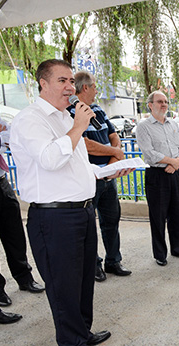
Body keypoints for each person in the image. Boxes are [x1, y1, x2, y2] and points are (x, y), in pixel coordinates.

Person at [9, 59, 129, 346]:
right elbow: (50, 159)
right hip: (54, 217)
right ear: (43, 84)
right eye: (62, 80)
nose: (70, 87)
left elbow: (76, 165)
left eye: (71, 81)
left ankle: (82, 332)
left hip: (82, 211)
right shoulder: (30, 120)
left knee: (83, 279)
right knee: (63, 284)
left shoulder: (65, 118)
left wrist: (107, 171)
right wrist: (78, 127)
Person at [68, 70, 131, 282]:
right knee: (89, 225)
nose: (96, 91)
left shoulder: (97, 110)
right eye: (94, 86)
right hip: (89, 179)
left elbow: (114, 136)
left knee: (112, 220)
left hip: (108, 177)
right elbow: (83, 144)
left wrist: (112, 164)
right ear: (85, 87)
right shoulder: (71, 113)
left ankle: (113, 261)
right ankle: (93, 265)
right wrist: (115, 153)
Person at [135, 91, 179, 266]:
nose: (164, 104)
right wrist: (172, 161)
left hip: (175, 173)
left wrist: (177, 162)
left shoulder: (173, 124)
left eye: (165, 101)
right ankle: (160, 254)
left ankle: (178, 249)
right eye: (159, 101)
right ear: (150, 105)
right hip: (156, 175)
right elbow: (149, 153)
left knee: (177, 213)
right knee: (158, 216)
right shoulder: (143, 127)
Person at [0, 106, 45, 310]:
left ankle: (24, 278)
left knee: (15, 234)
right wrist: (0, 138)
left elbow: (10, 136)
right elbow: (2, 140)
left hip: (2, 182)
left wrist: (1, 138)